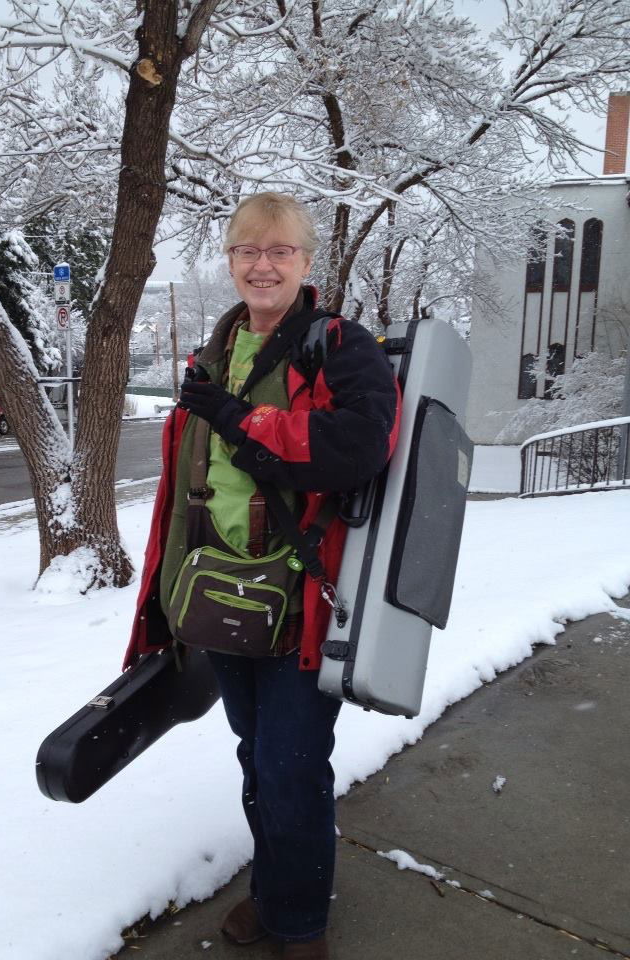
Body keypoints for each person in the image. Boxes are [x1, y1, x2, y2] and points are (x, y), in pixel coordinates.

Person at [123, 192, 399, 959]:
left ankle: (300, 922)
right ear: (232, 260)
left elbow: (357, 446)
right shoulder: (217, 350)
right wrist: (165, 600)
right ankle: (274, 889)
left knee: (292, 765)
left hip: (300, 600)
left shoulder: (339, 346)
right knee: (256, 756)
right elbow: (186, 488)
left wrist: (239, 419)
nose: (262, 264)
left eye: (279, 251)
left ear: (307, 263)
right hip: (219, 598)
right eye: (248, 249)